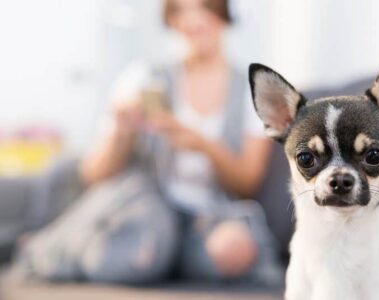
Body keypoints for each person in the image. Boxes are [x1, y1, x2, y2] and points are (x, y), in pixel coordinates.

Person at [12, 0, 281, 285]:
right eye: (179, 10)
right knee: (137, 254)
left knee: (233, 250)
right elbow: (94, 173)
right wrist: (122, 131)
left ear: (225, 15)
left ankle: (166, 255)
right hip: (149, 208)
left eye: (202, 7)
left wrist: (203, 145)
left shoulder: (250, 91)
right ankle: (68, 251)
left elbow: (246, 183)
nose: (191, 20)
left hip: (211, 214)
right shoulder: (142, 78)